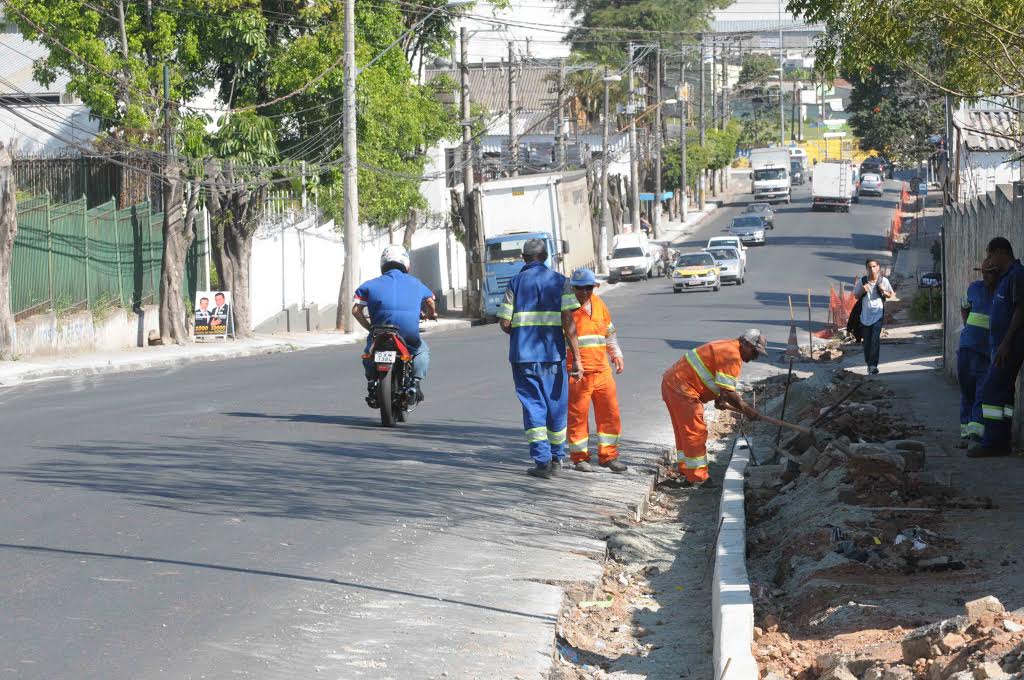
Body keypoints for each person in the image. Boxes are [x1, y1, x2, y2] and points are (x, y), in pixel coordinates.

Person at [498, 238, 583, 479]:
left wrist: (520, 333)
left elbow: (505, 322)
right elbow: (569, 322)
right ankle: (557, 457)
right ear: (545, 257)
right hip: (553, 356)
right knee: (556, 406)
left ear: (524, 258)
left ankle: (542, 461)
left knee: (533, 405)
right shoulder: (560, 282)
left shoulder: (514, 282)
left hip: (523, 357)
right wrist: (576, 357)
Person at [661, 330, 768, 487]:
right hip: (683, 390)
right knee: (695, 433)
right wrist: (747, 409)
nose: (754, 357)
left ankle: (687, 471)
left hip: (672, 384)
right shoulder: (732, 356)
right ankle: (697, 478)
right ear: (745, 343)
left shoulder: (727, 346)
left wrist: (719, 398)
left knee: (684, 431)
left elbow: (715, 376)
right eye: (754, 352)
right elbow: (728, 391)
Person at [352, 245, 437, 408]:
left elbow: (356, 310)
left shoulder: (369, 285)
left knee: (369, 353)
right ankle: (415, 383)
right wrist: (430, 314)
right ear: (406, 263)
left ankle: (372, 383)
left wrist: (370, 328)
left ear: (382, 263)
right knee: (421, 350)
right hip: (407, 334)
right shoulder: (417, 283)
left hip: (380, 332)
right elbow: (430, 301)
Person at [565, 268, 627, 474]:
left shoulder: (600, 305)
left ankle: (609, 456)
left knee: (610, 413)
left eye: (588, 288)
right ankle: (580, 458)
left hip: (602, 371)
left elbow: (609, 333)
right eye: (579, 288)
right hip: (578, 373)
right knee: (578, 416)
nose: (583, 292)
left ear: (594, 287)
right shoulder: (566, 309)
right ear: (572, 287)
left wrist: (616, 354)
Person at [969, 237, 1024, 458]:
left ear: (1002, 252)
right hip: (1001, 345)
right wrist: (990, 275)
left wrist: (1006, 342)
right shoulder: (1005, 277)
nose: (989, 259)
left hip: (1009, 346)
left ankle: (993, 442)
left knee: (991, 391)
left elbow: (1021, 309)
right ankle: (1003, 439)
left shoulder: (1018, 275)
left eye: (991, 255)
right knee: (1003, 393)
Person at [958, 262, 996, 442]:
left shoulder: (1001, 292)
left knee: (981, 391)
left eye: (990, 273)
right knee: (967, 388)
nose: (986, 276)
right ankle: (965, 429)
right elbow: (964, 305)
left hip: (985, 351)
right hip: (967, 346)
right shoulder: (974, 288)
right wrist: (967, 326)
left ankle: (976, 431)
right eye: (984, 273)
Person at [853, 259, 894, 374]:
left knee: (875, 339)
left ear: (878, 267)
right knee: (867, 341)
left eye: (874, 266)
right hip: (865, 316)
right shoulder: (862, 281)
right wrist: (862, 290)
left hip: (878, 314)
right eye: (869, 267)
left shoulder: (883, 281)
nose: (872, 269)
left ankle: (873, 365)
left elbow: (890, 294)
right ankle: (869, 363)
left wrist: (883, 291)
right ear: (866, 268)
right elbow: (856, 296)